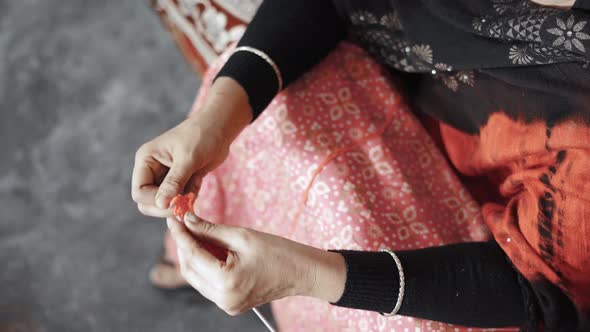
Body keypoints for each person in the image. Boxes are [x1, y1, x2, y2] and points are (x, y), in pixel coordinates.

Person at [131, 0, 590, 330]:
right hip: (398, 78)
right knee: (261, 111)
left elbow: (537, 287)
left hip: (501, 240)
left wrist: (307, 274)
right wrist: (216, 118)